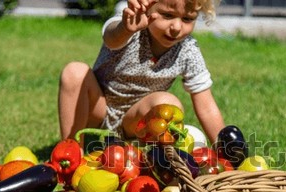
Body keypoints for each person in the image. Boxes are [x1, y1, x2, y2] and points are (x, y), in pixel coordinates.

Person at [57, 0, 225, 146]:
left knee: (168, 104)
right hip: (98, 110)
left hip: (135, 125)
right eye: (167, 15)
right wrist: (125, 28)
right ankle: (71, 151)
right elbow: (111, 38)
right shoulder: (130, 25)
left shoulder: (188, 50)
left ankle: (149, 158)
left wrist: (225, 152)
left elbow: (206, 107)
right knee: (74, 72)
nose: (176, 27)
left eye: (187, 19)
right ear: (147, 7)